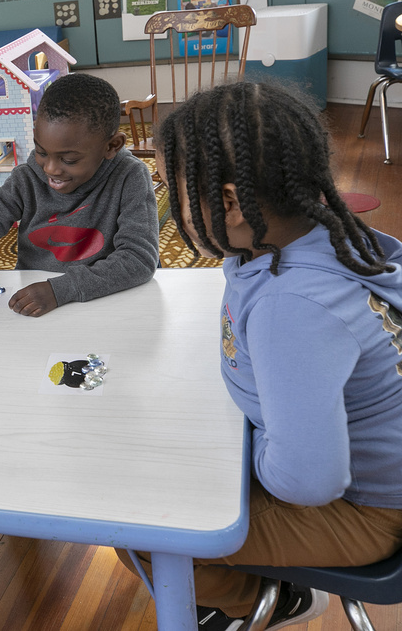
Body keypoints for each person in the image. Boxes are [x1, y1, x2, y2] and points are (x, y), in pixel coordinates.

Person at [119, 81, 402, 630]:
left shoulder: (291, 307)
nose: (167, 203)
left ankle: (264, 605)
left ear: (229, 203)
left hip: (369, 513)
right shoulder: (328, 236)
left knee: (137, 525)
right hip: (366, 474)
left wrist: (229, 463)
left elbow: (310, 481)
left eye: (172, 189)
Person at [0, 73, 159, 332]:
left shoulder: (130, 177)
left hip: (103, 301)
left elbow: (138, 259)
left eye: (69, 160)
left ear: (112, 146)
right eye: (41, 152)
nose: (50, 169)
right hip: (34, 305)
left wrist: (61, 289)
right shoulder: (27, 178)